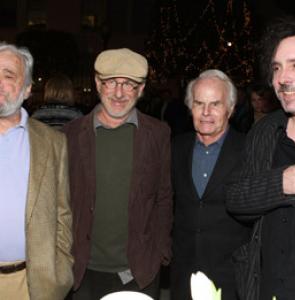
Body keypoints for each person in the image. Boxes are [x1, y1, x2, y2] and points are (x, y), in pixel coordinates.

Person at [63, 48, 173, 300]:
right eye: (111, 82)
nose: (119, 93)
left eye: (129, 84)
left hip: (138, 270)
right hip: (82, 269)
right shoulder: (70, 135)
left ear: (142, 89)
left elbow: (164, 197)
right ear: (97, 84)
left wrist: (160, 252)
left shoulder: (158, 134)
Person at [226, 16, 295, 299]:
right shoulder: (265, 131)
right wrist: (283, 183)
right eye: (277, 68)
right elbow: (236, 197)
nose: (283, 78)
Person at [0, 42, 73, 299]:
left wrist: (60, 272)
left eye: (8, 75)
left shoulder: (53, 143)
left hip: (31, 284)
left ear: (28, 88)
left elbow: (62, 214)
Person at [170, 69, 251, 300]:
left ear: (231, 109)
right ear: (189, 107)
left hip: (231, 277)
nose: (206, 112)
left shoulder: (249, 150)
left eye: (215, 104)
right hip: (183, 275)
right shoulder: (176, 148)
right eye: (199, 103)